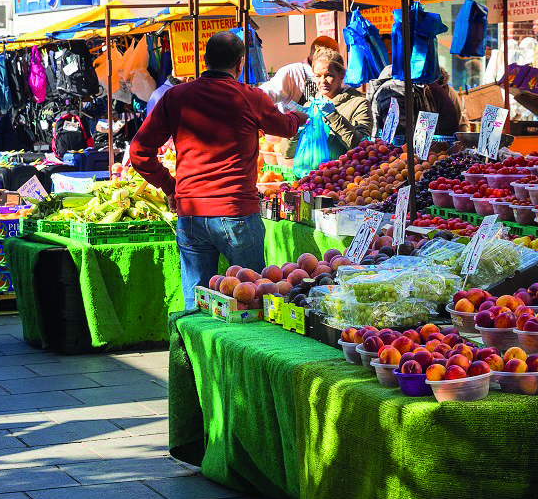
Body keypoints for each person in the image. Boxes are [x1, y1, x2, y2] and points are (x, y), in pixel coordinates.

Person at [131, 31, 306, 307]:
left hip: (191, 214)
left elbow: (138, 152)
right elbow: (284, 127)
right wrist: (298, 116)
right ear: (240, 64)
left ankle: (189, 350)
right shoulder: (249, 96)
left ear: (205, 60)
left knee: (196, 304)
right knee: (250, 301)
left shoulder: (176, 96)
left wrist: (169, 186)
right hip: (236, 213)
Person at [310, 46, 370, 154]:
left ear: (342, 74)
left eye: (328, 75)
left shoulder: (359, 104)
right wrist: (293, 129)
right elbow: (288, 153)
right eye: (318, 76)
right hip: (313, 170)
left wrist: (333, 116)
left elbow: (362, 147)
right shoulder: (310, 106)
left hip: (343, 169)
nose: (323, 81)